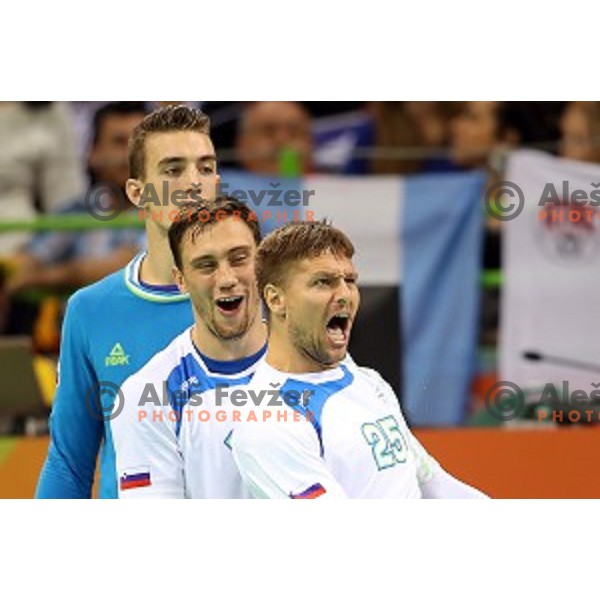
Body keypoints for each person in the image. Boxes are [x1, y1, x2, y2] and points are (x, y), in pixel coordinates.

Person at [35, 105, 220, 499]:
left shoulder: (265, 300)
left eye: (205, 168)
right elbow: (69, 461)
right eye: (173, 170)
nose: (193, 183)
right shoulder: (90, 310)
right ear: (137, 192)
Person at [230, 221, 489, 499]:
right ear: (275, 299)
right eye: (323, 282)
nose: (344, 295)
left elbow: (430, 481)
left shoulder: (369, 381)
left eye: (350, 281)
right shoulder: (266, 421)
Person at [112, 198, 267, 498]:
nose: (226, 279)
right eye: (206, 266)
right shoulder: (146, 395)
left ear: (263, 264)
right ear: (180, 280)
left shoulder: (321, 367)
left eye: (238, 259)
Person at [6, 102, 148, 297]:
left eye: (140, 144)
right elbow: (31, 258)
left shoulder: (169, 211)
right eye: (119, 142)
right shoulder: (76, 211)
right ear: (93, 152)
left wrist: (41, 278)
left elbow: (127, 267)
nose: (130, 155)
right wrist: (11, 272)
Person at [235, 101, 313, 175]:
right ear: (242, 144)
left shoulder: (322, 185)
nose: (282, 140)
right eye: (268, 131)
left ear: (310, 143)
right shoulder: (224, 186)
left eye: (294, 132)